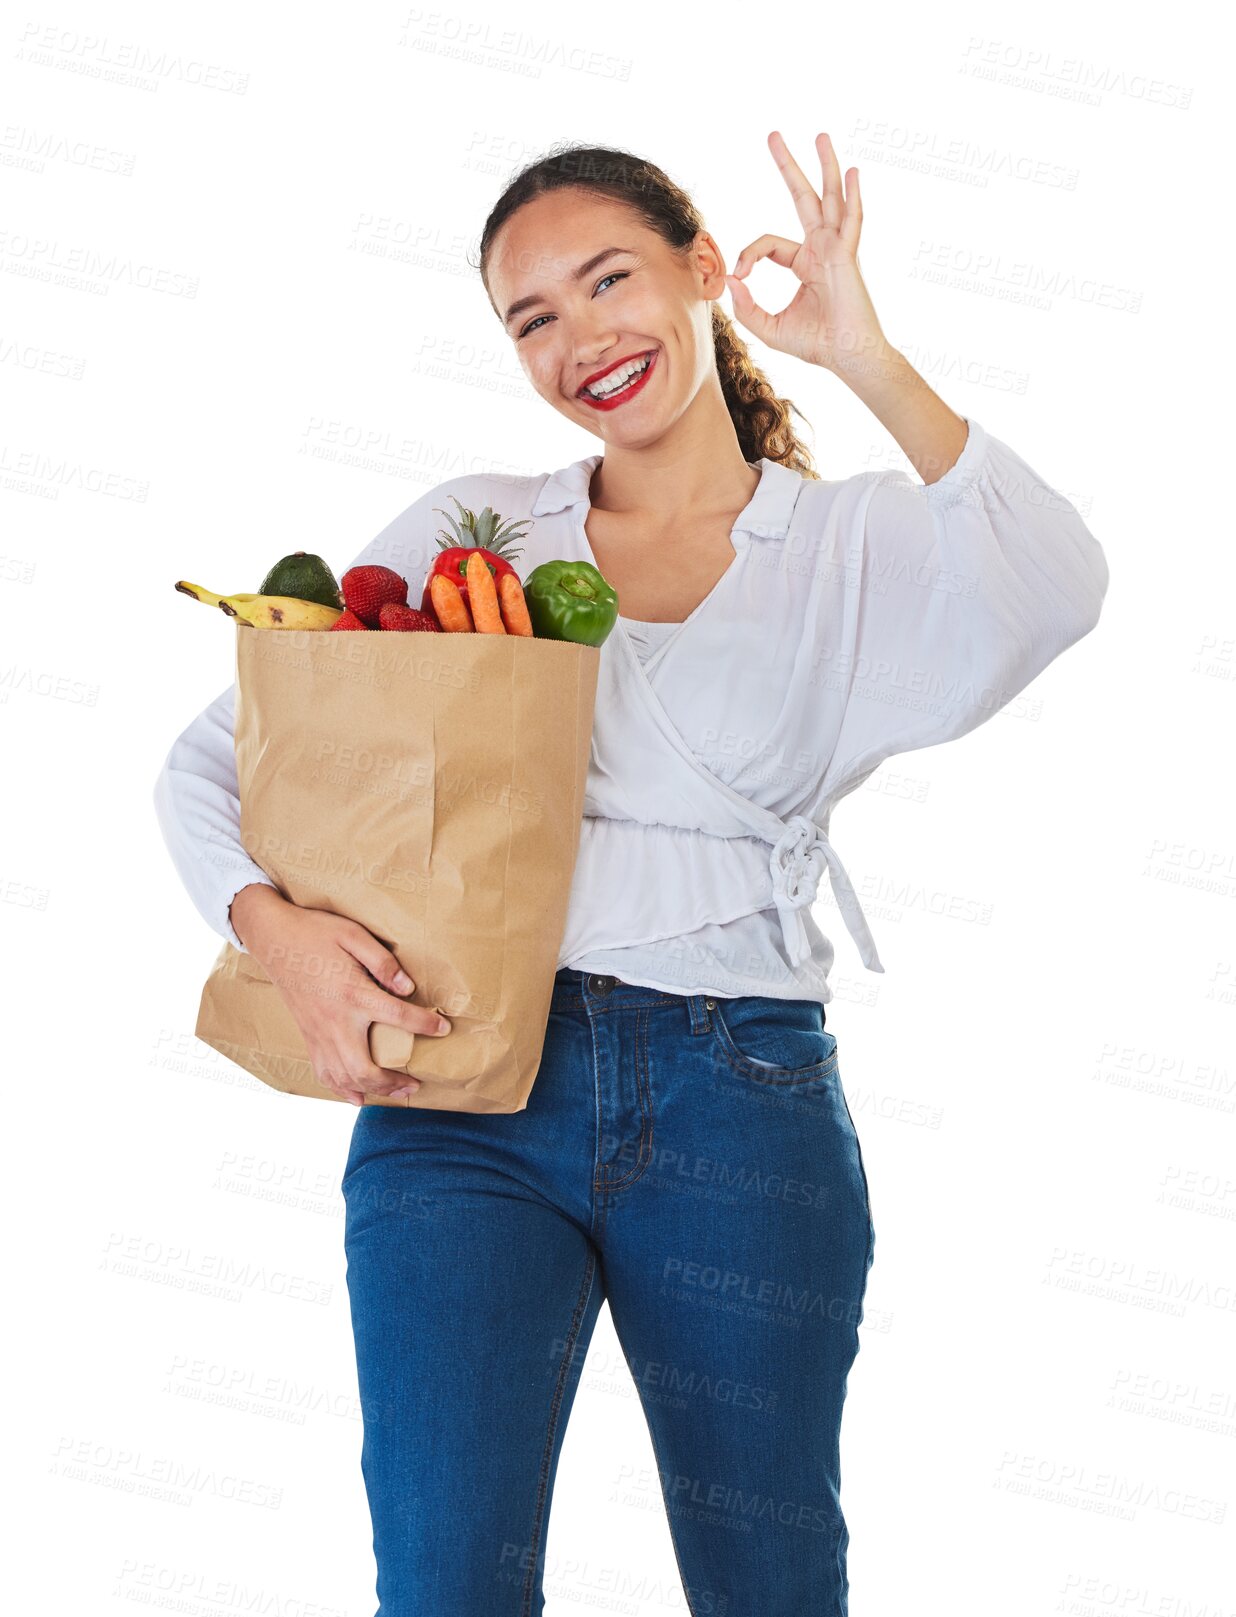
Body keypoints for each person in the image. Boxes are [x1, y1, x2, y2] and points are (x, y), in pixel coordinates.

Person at [153, 134, 1109, 1615]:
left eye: (610, 280)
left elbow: (1060, 580)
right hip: (464, 1101)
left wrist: (865, 353)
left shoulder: (843, 545)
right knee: (445, 1585)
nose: (580, 337)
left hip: (742, 1099)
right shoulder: (482, 528)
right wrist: (279, 934)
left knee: (770, 1583)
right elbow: (209, 761)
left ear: (705, 272)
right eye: (532, 317)